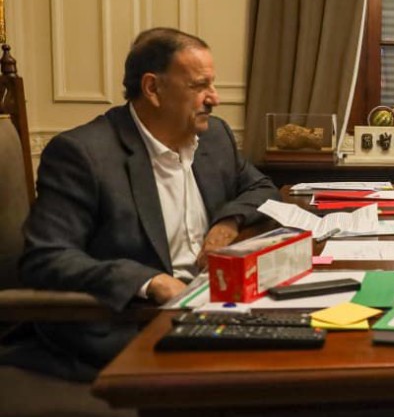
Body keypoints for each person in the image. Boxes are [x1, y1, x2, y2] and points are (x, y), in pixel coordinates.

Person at [11, 27, 280, 381]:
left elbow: (262, 188)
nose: (214, 98)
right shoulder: (83, 154)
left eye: (212, 85)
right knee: (257, 376)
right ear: (153, 88)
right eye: (199, 86)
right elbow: (46, 257)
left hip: (214, 304)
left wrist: (227, 222)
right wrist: (150, 281)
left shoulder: (214, 137)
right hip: (131, 321)